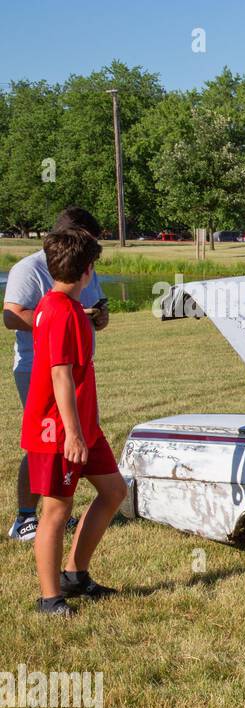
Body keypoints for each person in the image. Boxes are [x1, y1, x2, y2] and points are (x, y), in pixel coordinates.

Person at [21, 228, 126, 616]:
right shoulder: (61, 313)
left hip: (84, 427)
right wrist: (74, 435)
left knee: (114, 491)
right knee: (56, 511)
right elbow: (60, 376)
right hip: (59, 431)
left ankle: (75, 575)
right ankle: (50, 598)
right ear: (87, 271)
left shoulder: (58, 305)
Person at [3, 207, 108, 541]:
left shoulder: (85, 266)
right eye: (89, 242)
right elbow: (11, 316)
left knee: (69, 440)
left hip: (74, 368)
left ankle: (58, 507)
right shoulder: (29, 269)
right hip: (37, 368)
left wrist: (97, 319)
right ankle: (25, 518)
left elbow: (92, 309)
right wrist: (59, 318)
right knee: (44, 444)